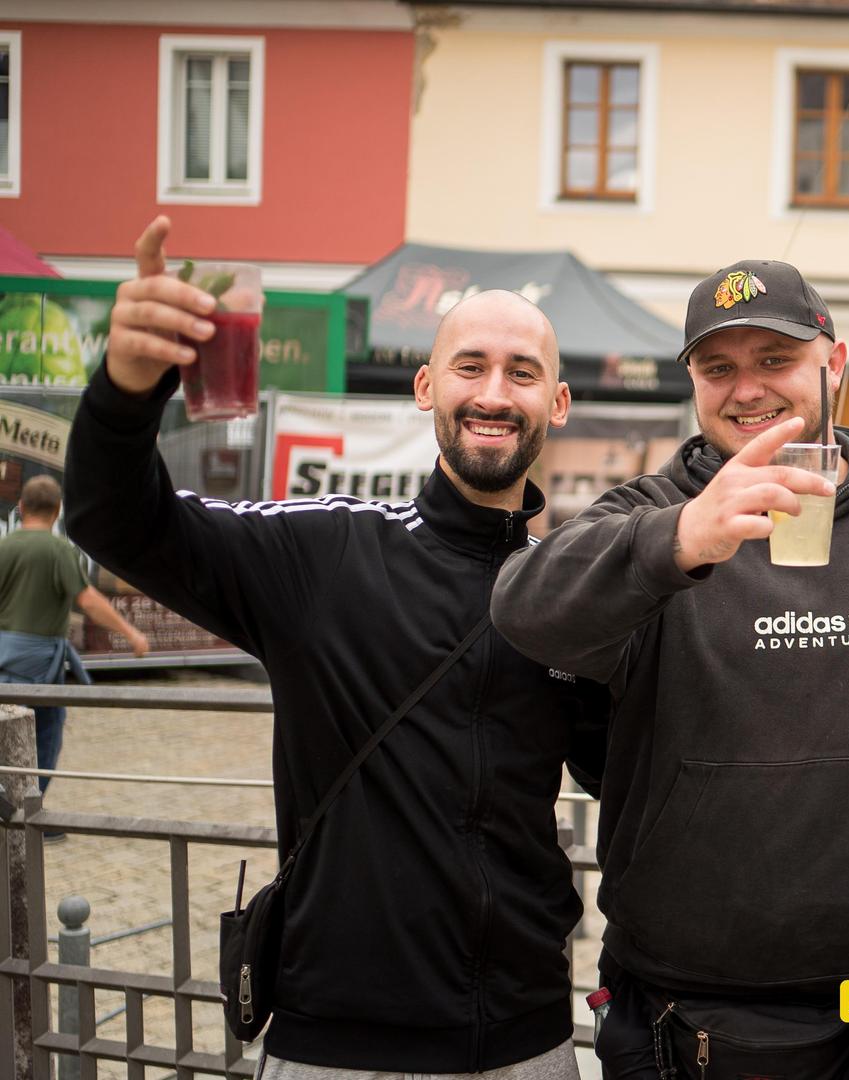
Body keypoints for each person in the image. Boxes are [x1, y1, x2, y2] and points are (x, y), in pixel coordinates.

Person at [64, 217, 610, 1077]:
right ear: (426, 386)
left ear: (559, 403)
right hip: (333, 1040)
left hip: (523, 1040)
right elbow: (117, 520)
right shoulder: (323, 550)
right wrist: (127, 390)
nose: (494, 393)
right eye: (470, 367)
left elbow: (634, 771)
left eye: (522, 372)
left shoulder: (575, 593)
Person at [490, 259, 849, 1077]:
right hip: (692, 1009)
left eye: (775, 360)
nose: (747, 388)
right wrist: (687, 536)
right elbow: (524, 607)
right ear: (693, 381)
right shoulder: (651, 517)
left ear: (832, 366)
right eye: (718, 368)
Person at [0, 474, 149, 807]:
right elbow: (89, 600)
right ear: (57, 512)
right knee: (47, 736)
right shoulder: (59, 550)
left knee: (4, 735)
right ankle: (30, 813)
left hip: (2, 659)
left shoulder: (4, 546)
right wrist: (132, 634)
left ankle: (10, 806)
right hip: (40, 666)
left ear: (21, 507)